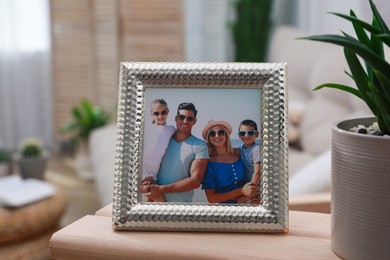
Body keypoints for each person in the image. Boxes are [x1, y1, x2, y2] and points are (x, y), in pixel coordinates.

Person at [147, 102, 209, 202]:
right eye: (181, 117)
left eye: (190, 118)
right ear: (176, 118)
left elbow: (195, 181)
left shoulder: (200, 146)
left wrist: (161, 189)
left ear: (195, 121)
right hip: (155, 204)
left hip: (181, 207)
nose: (185, 121)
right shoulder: (164, 139)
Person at [201, 120, 256, 203]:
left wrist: (256, 195)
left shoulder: (239, 152)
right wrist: (240, 191)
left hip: (247, 206)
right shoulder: (208, 163)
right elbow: (211, 199)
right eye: (212, 133)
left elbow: (256, 171)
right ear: (208, 137)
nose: (217, 136)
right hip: (225, 211)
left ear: (226, 134)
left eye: (221, 132)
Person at [141, 99, 175, 202]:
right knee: (161, 203)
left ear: (168, 112)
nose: (160, 116)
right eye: (156, 113)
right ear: (151, 114)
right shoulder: (146, 129)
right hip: (143, 173)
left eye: (163, 112)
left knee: (150, 203)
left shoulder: (171, 130)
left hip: (155, 174)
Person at [237, 119, 261, 204]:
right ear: (239, 135)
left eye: (250, 133)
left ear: (257, 134)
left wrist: (249, 194)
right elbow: (230, 151)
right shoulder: (242, 148)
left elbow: (258, 172)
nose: (246, 136)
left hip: (257, 187)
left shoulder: (256, 149)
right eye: (243, 133)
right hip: (249, 185)